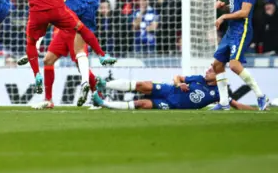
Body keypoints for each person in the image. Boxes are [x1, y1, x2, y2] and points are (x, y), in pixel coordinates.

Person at [211, 0, 269, 110]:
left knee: (235, 65)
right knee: (217, 64)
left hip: (241, 30)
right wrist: (223, 6)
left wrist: (223, 16)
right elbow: (235, 9)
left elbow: (244, 12)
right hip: (231, 30)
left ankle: (261, 96)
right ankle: (224, 103)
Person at [92, 68, 256, 111]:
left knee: (142, 103)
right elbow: (178, 77)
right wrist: (179, 84)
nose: (207, 71)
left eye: (211, 71)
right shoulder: (198, 78)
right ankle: (104, 85)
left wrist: (257, 109)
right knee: (142, 84)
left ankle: (104, 103)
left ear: (218, 77)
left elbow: (236, 104)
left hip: (172, 104)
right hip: (169, 90)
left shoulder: (219, 93)